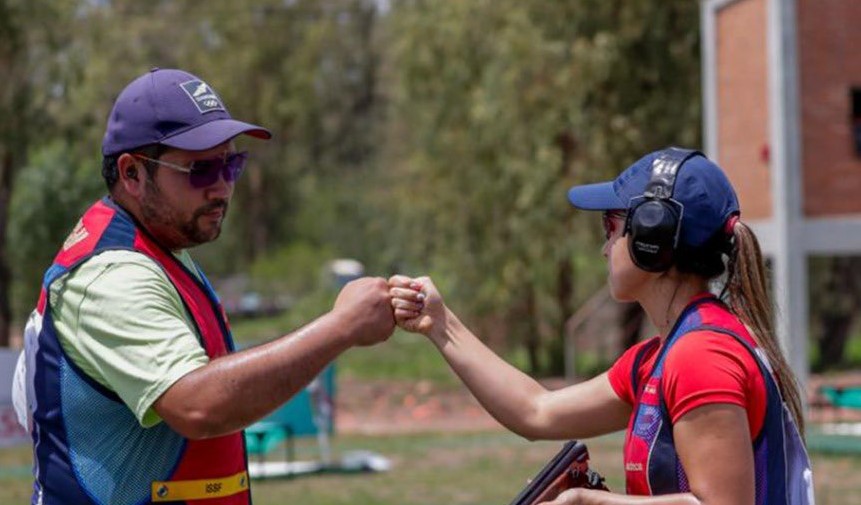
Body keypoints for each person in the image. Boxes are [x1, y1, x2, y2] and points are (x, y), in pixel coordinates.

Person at [12, 68, 395, 505]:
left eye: (232, 164)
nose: (222, 187)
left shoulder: (160, 247)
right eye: (199, 169)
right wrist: (340, 327)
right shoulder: (112, 274)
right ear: (132, 173)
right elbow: (199, 405)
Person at [390, 147, 814, 505]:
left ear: (652, 237)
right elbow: (536, 411)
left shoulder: (699, 356)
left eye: (610, 228)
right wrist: (441, 325)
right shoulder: (663, 356)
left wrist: (593, 502)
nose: (604, 247)